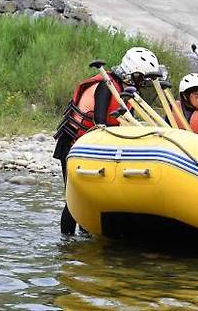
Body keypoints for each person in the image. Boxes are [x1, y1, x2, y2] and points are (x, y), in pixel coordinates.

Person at [53, 47, 161, 235]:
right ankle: (67, 243)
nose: (141, 83)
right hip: (73, 145)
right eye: (139, 78)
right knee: (74, 198)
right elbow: (100, 122)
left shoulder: (124, 92)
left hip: (92, 147)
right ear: (130, 71)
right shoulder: (107, 85)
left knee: (91, 199)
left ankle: (86, 236)